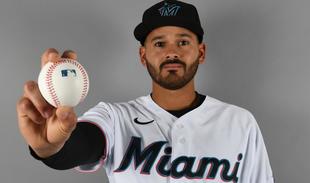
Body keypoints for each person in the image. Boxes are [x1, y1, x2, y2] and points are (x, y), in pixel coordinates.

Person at [17, 0, 274, 182]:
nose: (172, 51)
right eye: (159, 43)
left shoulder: (240, 122)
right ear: (143, 55)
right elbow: (84, 144)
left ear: (201, 52)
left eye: (183, 42)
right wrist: (51, 147)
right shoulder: (114, 118)